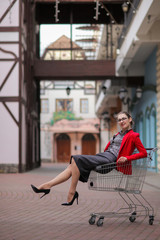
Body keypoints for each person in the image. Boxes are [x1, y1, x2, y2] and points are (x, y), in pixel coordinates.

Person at [31, 111, 147, 206]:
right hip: (103, 156)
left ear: (130, 119)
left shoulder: (133, 135)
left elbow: (143, 153)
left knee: (76, 159)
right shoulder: (117, 135)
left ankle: (71, 193)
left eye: (124, 119)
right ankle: (48, 186)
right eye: (119, 120)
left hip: (110, 161)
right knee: (72, 165)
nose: (121, 121)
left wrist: (127, 158)